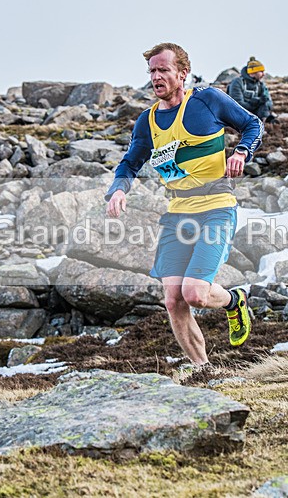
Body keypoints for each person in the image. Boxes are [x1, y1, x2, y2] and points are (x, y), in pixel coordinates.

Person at [105, 43, 262, 367]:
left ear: (182, 73)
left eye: (163, 70)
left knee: (195, 294)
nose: (156, 77)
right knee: (173, 300)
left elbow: (253, 124)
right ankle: (203, 371)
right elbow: (129, 163)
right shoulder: (147, 122)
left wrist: (241, 151)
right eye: (152, 71)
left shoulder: (206, 101)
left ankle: (235, 301)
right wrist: (118, 191)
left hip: (216, 205)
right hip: (178, 212)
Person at [227, 57, 276, 123]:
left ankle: (264, 123)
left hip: (254, 113)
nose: (263, 74)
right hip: (238, 114)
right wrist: (254, 102)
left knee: (265, 104)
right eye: (261, 72)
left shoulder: (261, 85)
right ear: (252, 73)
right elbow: (237, 105)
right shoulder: (238, 82)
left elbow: (269, 102)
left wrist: (261, 101)